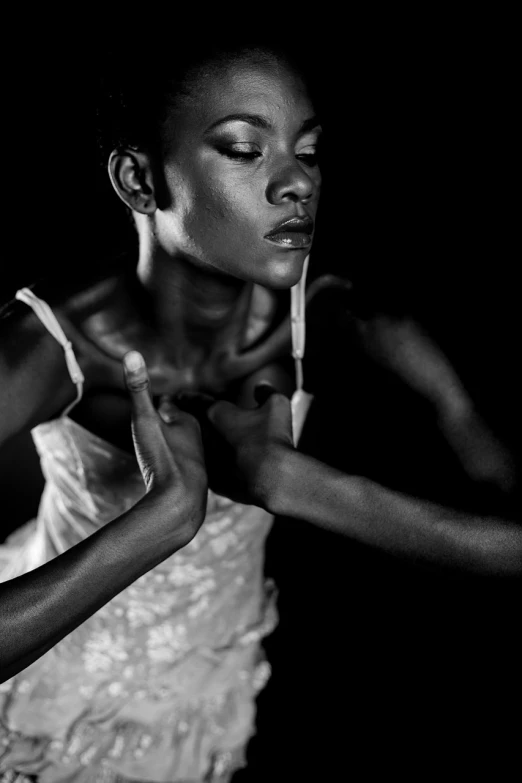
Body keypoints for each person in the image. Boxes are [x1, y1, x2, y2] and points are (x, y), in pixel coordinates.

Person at [0, 37, 322, 782]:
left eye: (309, 151)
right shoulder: (55, 344)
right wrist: (160, 522)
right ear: (140, 179)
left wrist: (296, 483)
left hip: (214, 679)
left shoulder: (324, 309)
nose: (297, 182)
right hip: (58, 703)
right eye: (246, 149)